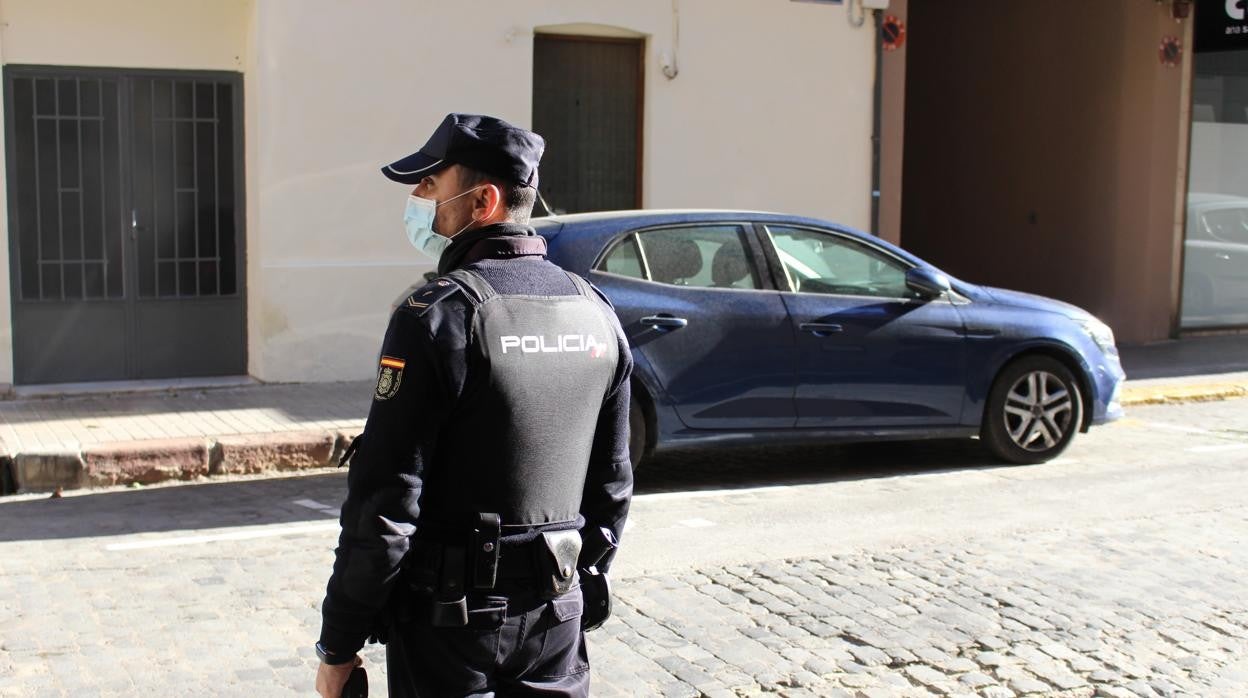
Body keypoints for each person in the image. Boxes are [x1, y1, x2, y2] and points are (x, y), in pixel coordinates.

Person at [314, 113, 633, 698]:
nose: (417, 198)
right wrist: (579, 585)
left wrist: (339, 644)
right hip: (555, 624)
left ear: (482, 200)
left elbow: (385, 504)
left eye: (431, 185)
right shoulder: (596, 311)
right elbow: (611, 487)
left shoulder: (437, 316)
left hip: (450, 635)